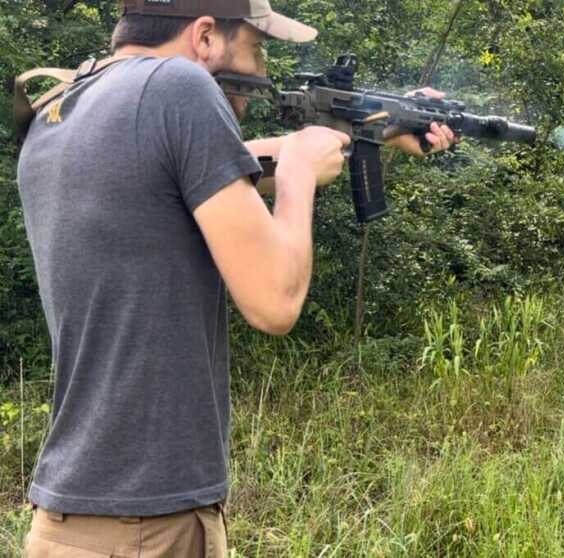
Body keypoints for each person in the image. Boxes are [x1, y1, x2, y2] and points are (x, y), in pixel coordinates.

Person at [16, 0, 455, 555]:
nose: (263, 72)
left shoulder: (65, 101)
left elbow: (216, 169)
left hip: (70, 520)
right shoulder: (179, 85)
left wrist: (372, 127)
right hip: (149, 527)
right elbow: (275, 302)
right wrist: (298, 174)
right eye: (257, 48)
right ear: (205, 38)